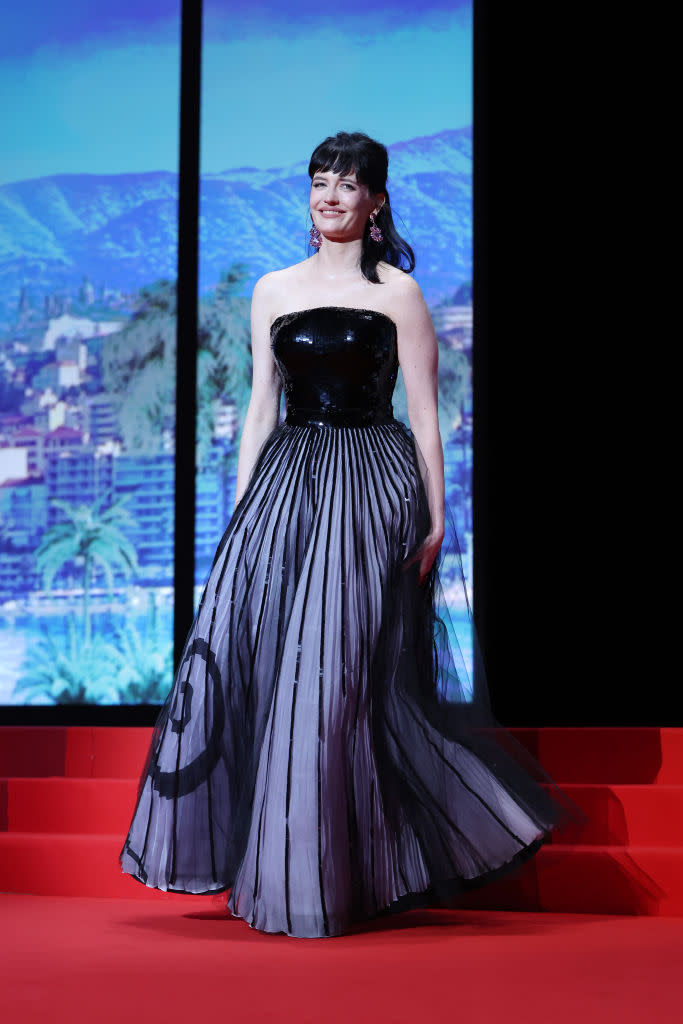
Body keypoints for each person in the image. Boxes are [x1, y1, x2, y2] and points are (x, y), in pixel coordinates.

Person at [120, 131, 584, 938]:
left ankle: (338, 876)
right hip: (287, 488)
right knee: (275, 673)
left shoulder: (399, 293)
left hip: (372, 485)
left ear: (376, 201)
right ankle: (291, 876)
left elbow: (426, 419)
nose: (330, 194)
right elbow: (261, 407)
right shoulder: (270, 289)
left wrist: (437, 513)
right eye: (318, 181)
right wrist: (243, 512)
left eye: (347, 183)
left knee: (337, 682)